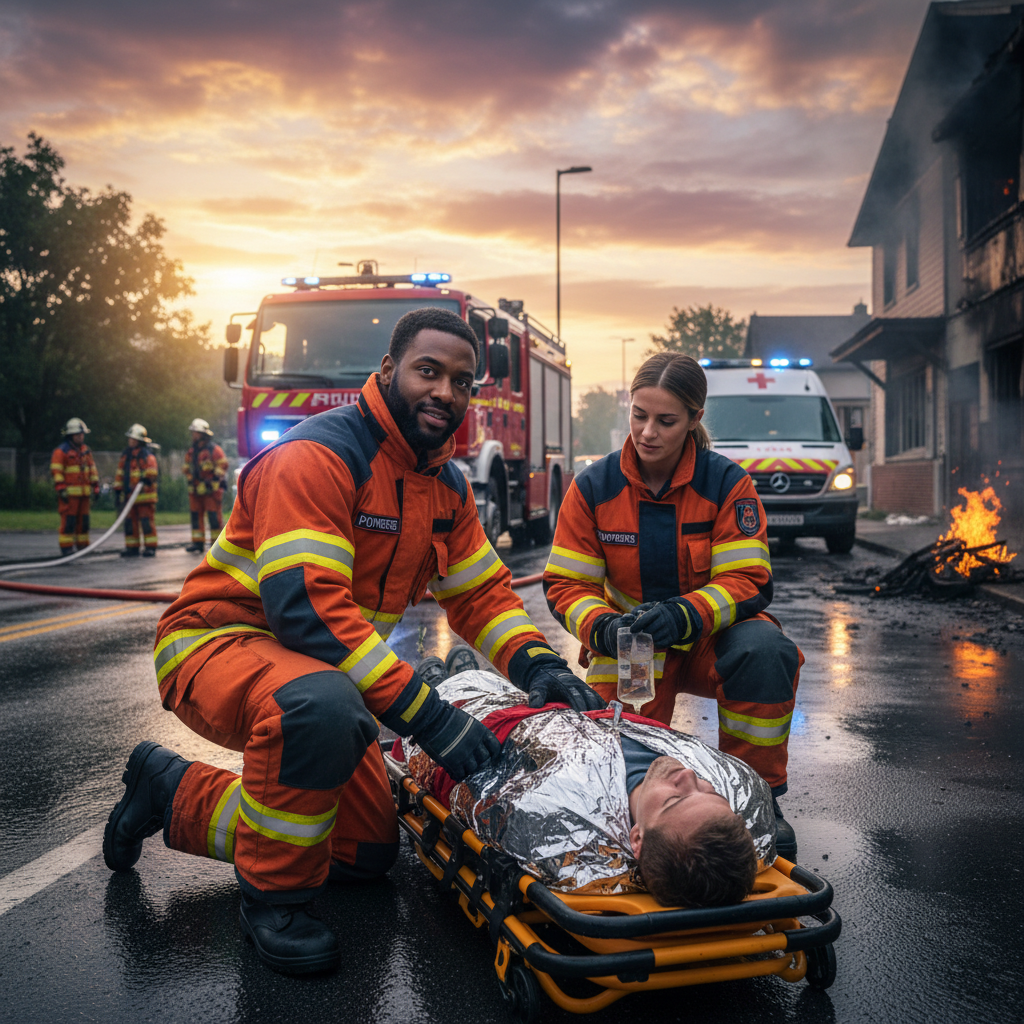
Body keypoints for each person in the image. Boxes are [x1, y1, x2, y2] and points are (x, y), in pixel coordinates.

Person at [102, 306, 603, 976]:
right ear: (390, 370)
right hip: (216, 644)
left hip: (317, 672)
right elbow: (307, 611)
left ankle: (169, 792)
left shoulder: (445, 487)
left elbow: (482, 595)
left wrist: (539, 664)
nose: (445, 392)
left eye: (462, 381)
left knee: (365, 852)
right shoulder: (318, 456)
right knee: (326, 708)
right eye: (429, 371)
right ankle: (274, 901)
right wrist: (430, 718)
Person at [543, 352, 802, 859]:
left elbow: (749, 580)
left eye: (665, 421)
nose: (647, 432)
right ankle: (640, 824)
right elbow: (566, 586)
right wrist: (603, 629)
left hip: (709, 640)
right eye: (639, 415)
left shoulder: (727, 484)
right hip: (631, 646)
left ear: (695, 420)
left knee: (766, 650)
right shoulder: (593, 487)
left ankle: (759, 798)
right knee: (616, 760)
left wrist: (685, 615)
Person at [400, 663, 773, 909]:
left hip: (487, 715)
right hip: (572, 712)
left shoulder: (563, 818)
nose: (689, 777)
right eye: (710, 792)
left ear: (637, 839)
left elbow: (480, 786)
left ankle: (443, 672)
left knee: (457, 681)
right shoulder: (718, 802)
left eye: (674, 800)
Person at [50, 417, 100, 556]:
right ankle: (67, 548)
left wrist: (95, 486)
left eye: (82, 434)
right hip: (69, 494)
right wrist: (61, 488)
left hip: (84, 494)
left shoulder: (85, 451)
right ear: (71, 435)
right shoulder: (61, 452)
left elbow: (92, 469)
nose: (81, 437)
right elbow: (56, 471)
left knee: (84, 522)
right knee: (69, 522)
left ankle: (83, 547)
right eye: (78, 435)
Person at [183, 417, 229, 553]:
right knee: (196, 517)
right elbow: (186, 468)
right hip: (196, 491)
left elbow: (223, 465)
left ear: (202, 434)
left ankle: (217, 547)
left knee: (214, 518)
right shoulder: (191, 452)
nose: (193, 435)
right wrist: (191, 479)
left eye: (195, 433)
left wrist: (212, 480)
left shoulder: (214, 450)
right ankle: (198, 544)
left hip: (210, 492)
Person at [114, 423, 160, 557]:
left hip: (145, 496)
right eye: (130, 439)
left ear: (139, 441)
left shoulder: (147, 455)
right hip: (130, 497)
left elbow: (152, 471)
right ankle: (131, 547)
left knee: (146, 522)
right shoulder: (126, 456)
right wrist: (118, 490)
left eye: (133, 439)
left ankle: (150, 547)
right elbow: (120, 474)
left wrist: (145, 479)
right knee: (129, 523)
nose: (130, 441)